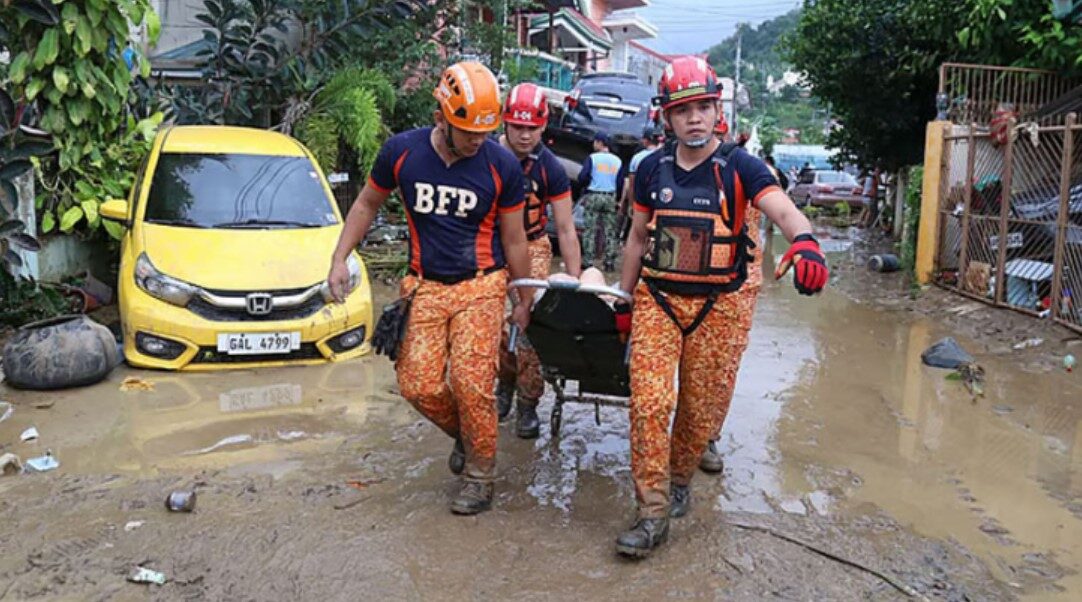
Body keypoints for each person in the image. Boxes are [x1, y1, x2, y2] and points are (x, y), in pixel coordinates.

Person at [613, 56, 829, 557]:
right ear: (667, 116)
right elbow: (637, 238)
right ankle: (651, 512)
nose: (694, 118)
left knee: (697, 411)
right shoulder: (650, 169)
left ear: (717, 111)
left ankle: (680, 476)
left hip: (719, 308)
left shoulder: (741, 167)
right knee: (649, 403)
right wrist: (623, 300)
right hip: (658, 301)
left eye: (704, 108)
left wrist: (806, 242)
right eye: (683, 110)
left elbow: (782, 209)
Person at [326, 61, 534, 516]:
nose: (478, 140)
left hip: (482, 285)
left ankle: (480, 476)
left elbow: (516, 238)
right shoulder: (402, 153)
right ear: (441, 116)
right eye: (468, 131)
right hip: (423, 286)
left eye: (485, 131)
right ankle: (468, 434)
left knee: (472, 383)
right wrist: (340, 258)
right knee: (417, 385)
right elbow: (366, 204)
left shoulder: (501, 165)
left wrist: (523, 299)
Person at [495, 83, 582, 438]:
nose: (525, 135)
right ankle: (503, 381)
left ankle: (528, 402)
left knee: (530, 324)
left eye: (532, 127)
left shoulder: (550, 168)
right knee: (491, 326)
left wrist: (575, 283)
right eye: (518, 126)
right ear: (505, 122)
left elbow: (565, 228)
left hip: (532, 246)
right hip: (490, 247)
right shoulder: (485, 156)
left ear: (544, 126)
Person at [577, 132, 623, 271]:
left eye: (595, 142)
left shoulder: (593, 158)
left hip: (594, 195)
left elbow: (582, 177)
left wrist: (585, 187)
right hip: (610, 196)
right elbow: (620, 182)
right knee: (610, 231)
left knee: (590, 230)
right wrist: (617, 199)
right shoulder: (617, 160)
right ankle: (609, 262)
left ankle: (588, 261)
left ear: (599, 142)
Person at [618, 125, 665, 241]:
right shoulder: (666, 156)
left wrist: (631, 204)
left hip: (641, 203)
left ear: (645, 140)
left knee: (638, 235)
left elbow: (631, 184)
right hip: (660, 202)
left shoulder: (638, 158)